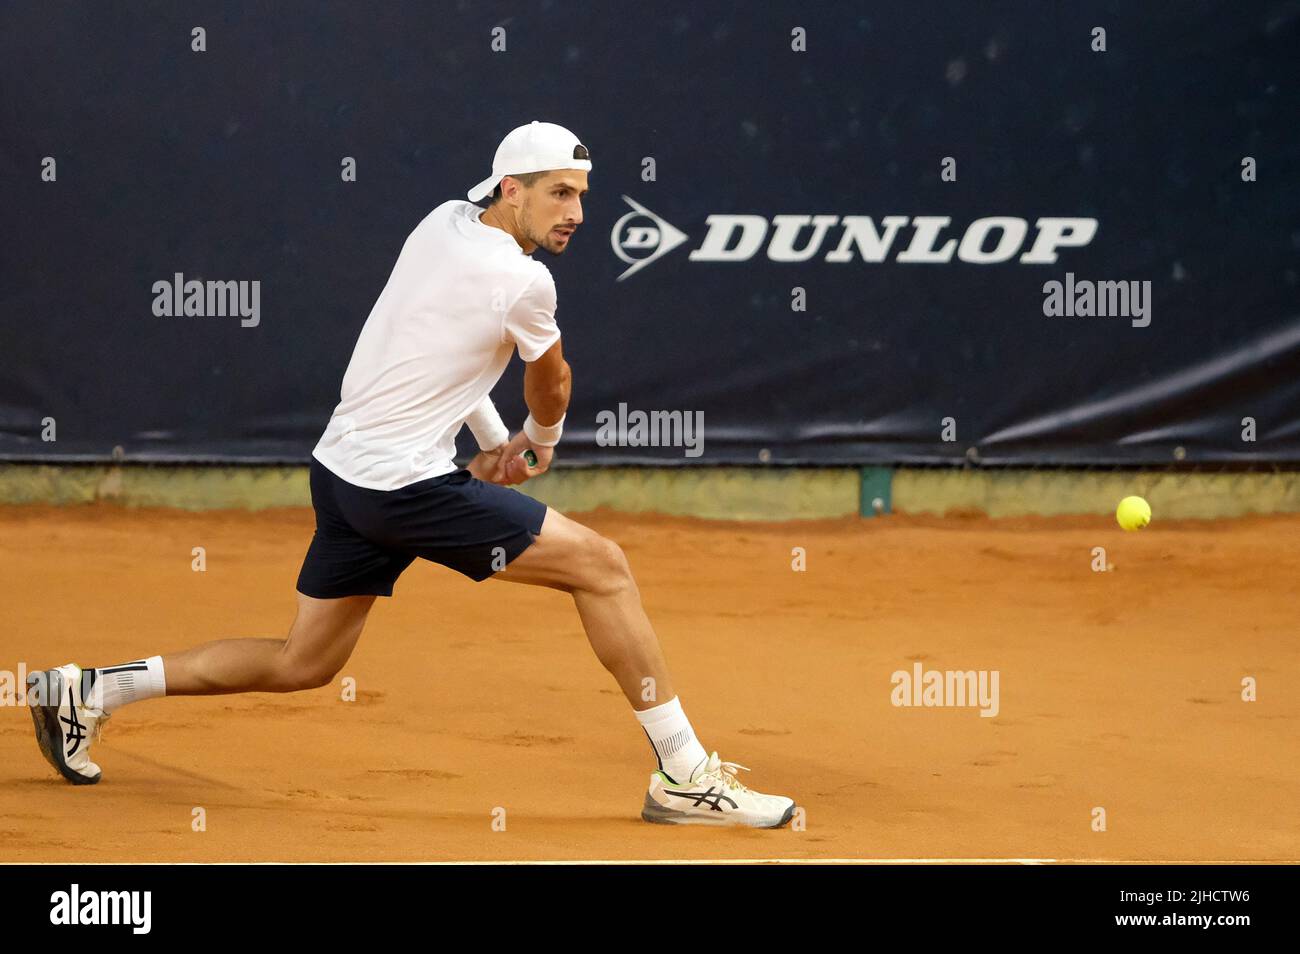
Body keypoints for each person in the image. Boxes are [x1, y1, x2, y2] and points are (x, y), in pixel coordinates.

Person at [28, 121, 797, 828]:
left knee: (304, 662)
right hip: (403, 488)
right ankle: (685, 777)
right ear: (512, 189)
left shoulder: (442, 222)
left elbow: (435, 348)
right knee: (604, 568)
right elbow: (552, 383)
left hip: (342, 472)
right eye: (560, 194)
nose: (576, 214)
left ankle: (90, 689)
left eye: (582, 196)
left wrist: (493, 443)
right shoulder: (527, 282)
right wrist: (538, 441)